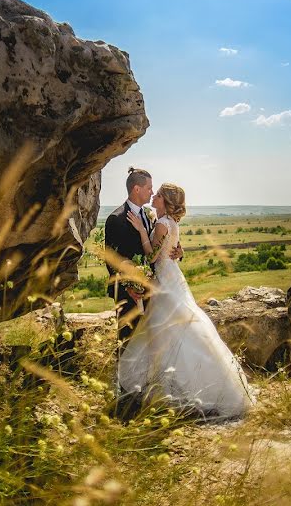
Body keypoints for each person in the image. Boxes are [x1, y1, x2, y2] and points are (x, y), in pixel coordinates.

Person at [117, 183, 256, 420]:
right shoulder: (168, 221)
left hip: (165, 279)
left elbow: (152, 256)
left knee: (167, 329)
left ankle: (172, 388)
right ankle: (166, 385)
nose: (155, 196)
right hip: (169, 275)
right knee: (171, 328)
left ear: (166, 201)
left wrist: (141, 230)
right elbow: (170, 250)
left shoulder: (161, 224)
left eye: (158, 195)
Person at [104, 168, 182, 349]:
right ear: (137, 189)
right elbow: (111, 259)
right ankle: (123, 377)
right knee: (127, 341)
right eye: (149, 188)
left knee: (151, 341)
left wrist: (179, 250)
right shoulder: (115, 219)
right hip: (128, 294)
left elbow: (163, 241)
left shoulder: (151, 215)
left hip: (154, 289)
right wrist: (130, 286)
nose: (152, 192)